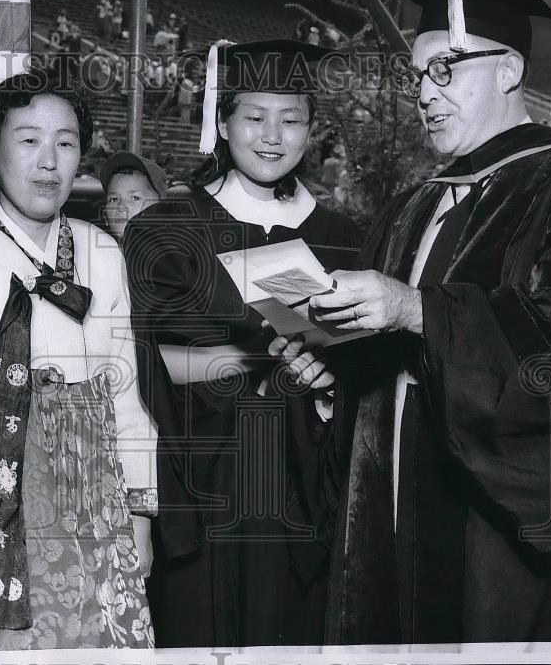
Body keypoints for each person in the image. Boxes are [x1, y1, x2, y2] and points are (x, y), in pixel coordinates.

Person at [302, 0, 551, 643]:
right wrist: (331, 362)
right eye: (418, 73)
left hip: (498, 532)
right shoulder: (413, 204)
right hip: (391, 511)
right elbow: (388, 367)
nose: (425, 91)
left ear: (509, 69)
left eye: (446, 68)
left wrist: (417, 310)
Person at [124, 39, 362, 647]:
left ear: (313, 128)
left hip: (305, 494)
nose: (273, 136)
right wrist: (269, 360)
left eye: (293, 119)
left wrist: (332, 391)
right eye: (255, 117)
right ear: (222, 120)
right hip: (211, 488)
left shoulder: (344, 239)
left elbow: (364, 374)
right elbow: (162, 362)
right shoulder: (168, 229)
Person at [0, 68, 158, 650]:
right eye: (28, 140)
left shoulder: (101, 252)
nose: (50, 161)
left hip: (93, 509)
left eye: (66, 142)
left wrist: (142, 514)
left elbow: (124, 393)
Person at [100, 151, 168, 242]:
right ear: (106, 216)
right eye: (114, 199)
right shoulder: (97, 254)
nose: (121, 207)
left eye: (135, 198)